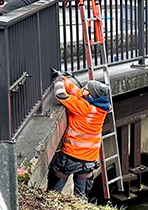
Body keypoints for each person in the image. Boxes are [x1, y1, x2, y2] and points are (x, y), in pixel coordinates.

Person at [47, 70, 111, 199]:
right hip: (88, 162)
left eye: (86, 88)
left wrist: (58, 81)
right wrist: (63, 77)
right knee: (81, 197)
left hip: (70, 158)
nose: (82, 89)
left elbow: (61, 95)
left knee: (53, 193)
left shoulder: (83, 107)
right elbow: (77, 91)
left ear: (91, 95)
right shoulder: (99, 108)